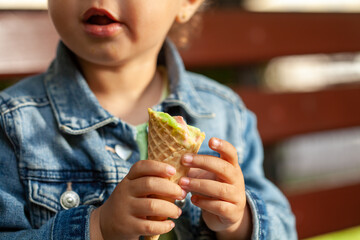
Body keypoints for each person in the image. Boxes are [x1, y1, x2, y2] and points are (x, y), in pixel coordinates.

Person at [0, 0, 297, 239]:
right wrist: (97, 229)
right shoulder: (14, 123)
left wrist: (241, 222)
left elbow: (283, 226)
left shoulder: (226, 113)